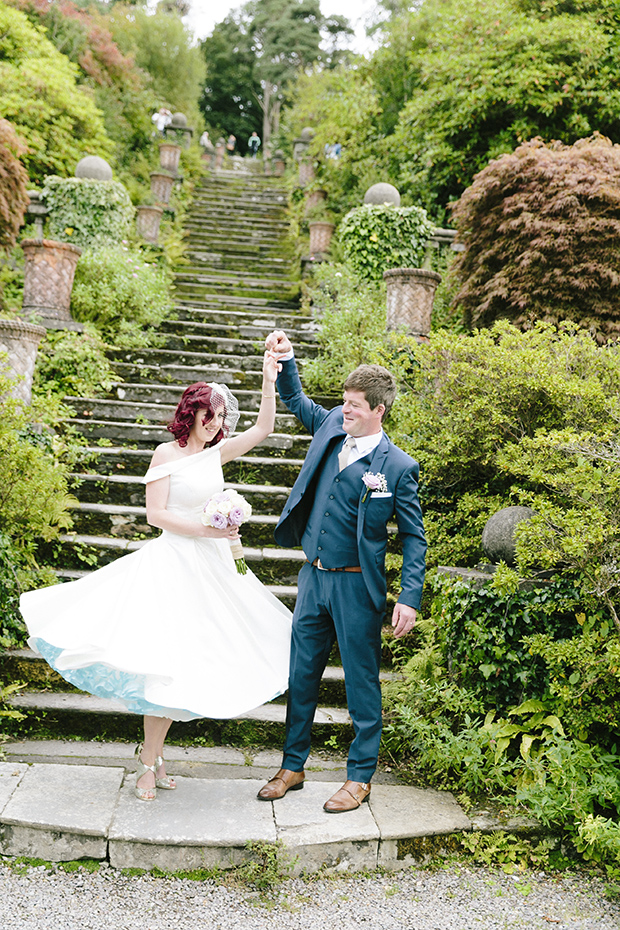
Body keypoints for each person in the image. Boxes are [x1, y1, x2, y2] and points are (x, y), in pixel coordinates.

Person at [20, 353, 292, 801]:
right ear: (192, 411)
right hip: (173, 567)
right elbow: (155, 515)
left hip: (213, 570)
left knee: (187, 666)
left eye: (222, 416)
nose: (216, 422)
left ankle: (154, 757)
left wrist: (268, 379)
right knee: (164, 665)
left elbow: (263, 429)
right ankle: (148, 763)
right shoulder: (166, 453)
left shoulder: (215, 454)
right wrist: (209, 528)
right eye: (210, 413)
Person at [258, 331, 426, 813]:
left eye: (354, 405)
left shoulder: (397, 468)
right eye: (344, 402)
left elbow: (414, 537)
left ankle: (359, 777)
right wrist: (287, 360)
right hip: (313, 577)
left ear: (379, 410)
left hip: (358, 586)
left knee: (361, 682)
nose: (344, 410)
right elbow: (296, 399)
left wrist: (408, 597)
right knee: (301, 673)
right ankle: (293, 766)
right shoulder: (332, 424)